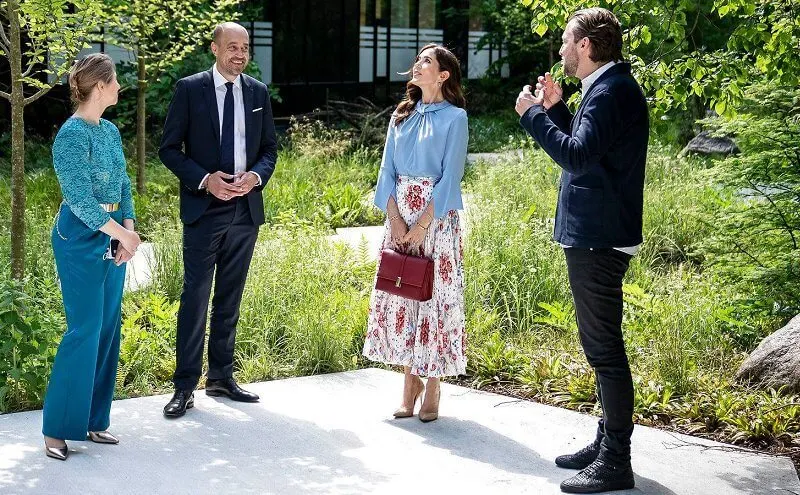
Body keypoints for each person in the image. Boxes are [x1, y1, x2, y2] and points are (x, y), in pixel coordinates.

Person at [515, 8, 648, 493]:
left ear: (588, 45)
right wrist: (554, 110)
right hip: (597, 231)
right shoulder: (608, 88)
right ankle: (605, 440)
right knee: (600, 347)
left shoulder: (611, 91)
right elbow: (591, 148)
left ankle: (617, 460)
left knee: (604, 349)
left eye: (567, 41)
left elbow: (576, 155)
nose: (562, 51)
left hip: (599, 235)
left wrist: (532, 116)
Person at [159, 22, 278, 418]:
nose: (240, 54)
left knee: (230, 296)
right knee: (195, 298)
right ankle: (184, 387)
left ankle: (221, 378)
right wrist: (205, 180)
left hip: (246, 211)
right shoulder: (190, 89)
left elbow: (269, 149)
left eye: (245, 47)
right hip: (203, 209)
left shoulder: (258, 92)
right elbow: (169, 149)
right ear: (214, 48)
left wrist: (256, 176)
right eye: (232, 46)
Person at [42, 53, 141, 460]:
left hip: (114, 234)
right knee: (84, 330)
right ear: (99, 86)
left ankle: (95, 421)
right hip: (79, 238)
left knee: (107, 330)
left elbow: (122, 182)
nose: (120, 87)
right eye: (115, 81)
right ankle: (57, 430)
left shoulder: (110, 131)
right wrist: (121, 235)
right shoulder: (70, 135)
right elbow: (80, 199)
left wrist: (129, 230)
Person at [363, 44, 468, 423]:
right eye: (419, 59)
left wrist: (422, 224)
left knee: (433, 297)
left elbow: (451, 176)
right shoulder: (401, 114)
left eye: (428, 60)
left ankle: (434, 381)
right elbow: (385, 170)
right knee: (403, 291)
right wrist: (394, 219)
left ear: (443, 75)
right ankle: (409, 382)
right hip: (398, 211)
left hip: (434, 216)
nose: (418, 64)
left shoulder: (456, 118)